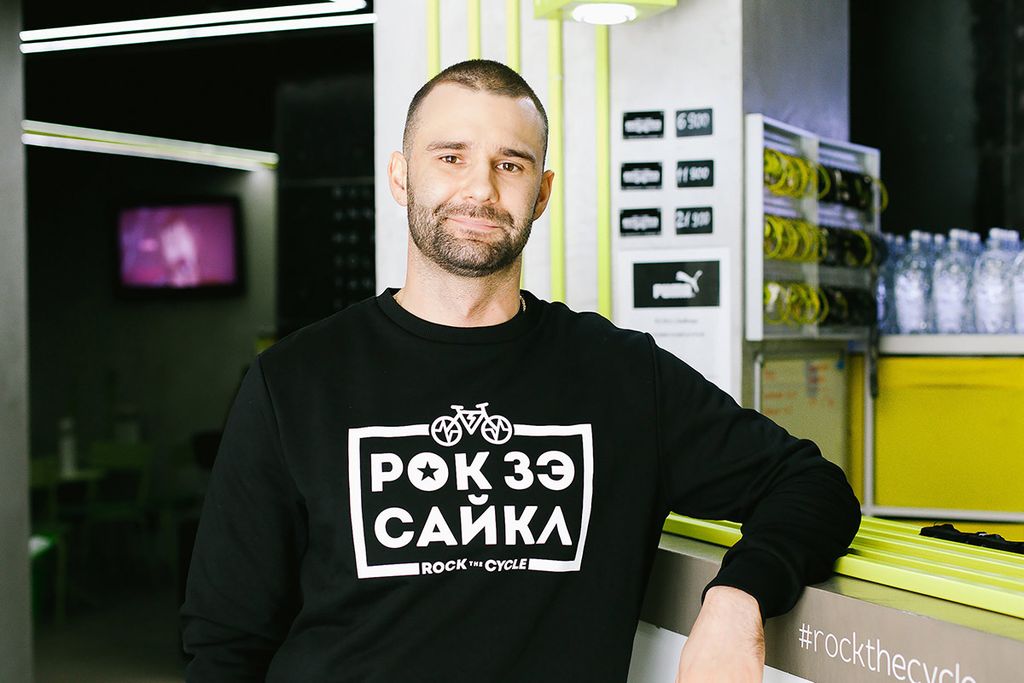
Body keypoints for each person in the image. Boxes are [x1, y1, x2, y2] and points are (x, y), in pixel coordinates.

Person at [181, 59, 861, 682]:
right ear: (401, 176)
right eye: (451, 157)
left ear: (542, 193)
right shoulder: (294, 381)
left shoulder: (622, 376)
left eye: (511, 164)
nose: (480, 188)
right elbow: (225, 642)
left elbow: (812, 487)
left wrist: (738, 598)